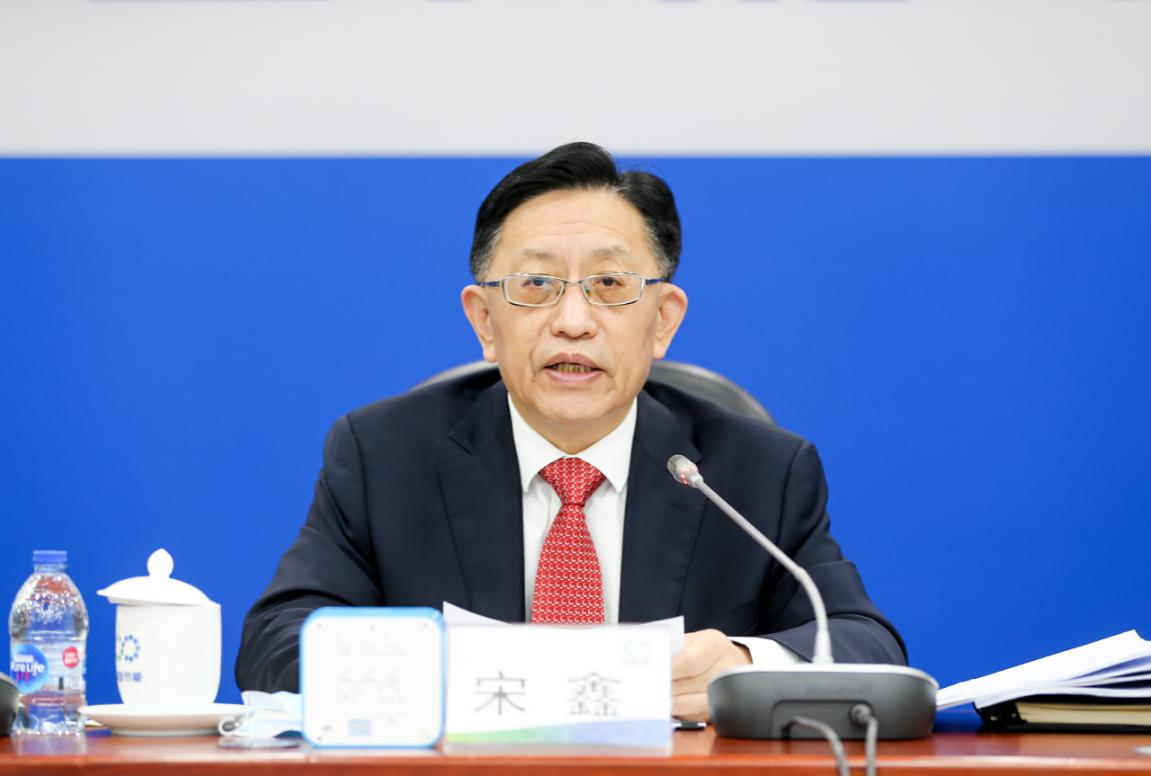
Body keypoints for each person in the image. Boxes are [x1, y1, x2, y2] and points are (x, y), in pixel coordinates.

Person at [236, 142, 905, 721]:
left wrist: (742, 664)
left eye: (610, 284)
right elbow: (275, 643)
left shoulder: (755, 471)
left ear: (663, 320)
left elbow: (865, 643)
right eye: (536, 284)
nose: (574, 321)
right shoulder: (384, 457)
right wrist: (442, 671)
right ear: (484, 320)